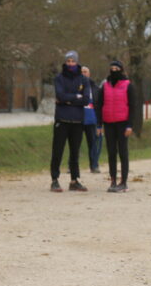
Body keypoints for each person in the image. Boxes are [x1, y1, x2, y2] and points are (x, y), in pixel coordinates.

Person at [95, 59, 141, 193]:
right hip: (108, 123)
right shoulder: (105, 86)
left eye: (116, 69)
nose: (114, 71)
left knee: (123, 152)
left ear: (121, 70)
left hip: (122, 123)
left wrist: (130, 125)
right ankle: (113, 180)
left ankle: (124, 182)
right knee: (111, 152)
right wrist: (99, 124)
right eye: (112, 69)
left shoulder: (128, 85)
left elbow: (133, 107)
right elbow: (99, 105)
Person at [50, 50, 90, 192]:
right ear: (65, 62)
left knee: (75, 152)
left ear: (77, 62)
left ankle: (74, 180)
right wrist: (76, 97)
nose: (71, 64)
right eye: (68, 61)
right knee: (58, 150)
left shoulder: (83, 79)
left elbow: (86, 99)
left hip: (78, 120)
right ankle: (54, 179)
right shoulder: (59, 78)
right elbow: (60, 95)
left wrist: (69, 99)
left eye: (73, 61)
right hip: (62, 118)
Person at [81, 66, 102, 174]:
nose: (83, 74)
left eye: (85, 72)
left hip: (91, 120)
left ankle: (94, 165)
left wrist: (99, 125)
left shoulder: (95, 89)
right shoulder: (74, 87)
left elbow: (99, 107)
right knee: (74, 144)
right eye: (81, 72)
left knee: (92, 144)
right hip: (78, 120)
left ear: (89, 74)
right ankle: (72, 166)